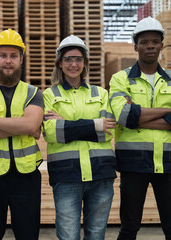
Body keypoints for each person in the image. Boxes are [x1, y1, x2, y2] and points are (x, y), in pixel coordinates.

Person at [109, 17, 171, 240]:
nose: (150, 45)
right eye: (144, 42)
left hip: (167, 164)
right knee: (129, 229)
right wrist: (167, 110)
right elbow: (124, 116)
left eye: (155, 41)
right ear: (136, 46)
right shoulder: (120, 79)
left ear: (162, 44)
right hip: (132, 164)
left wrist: (139, 117)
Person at [0, 28, 44, 240]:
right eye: (3, 55)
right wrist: (21, 125)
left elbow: (31, 126)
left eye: (13, 56)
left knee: (28, 235)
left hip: (27, 176)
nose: (8, 61)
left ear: (21, 59)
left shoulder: (33, 93)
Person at [43, 35, 117, 240]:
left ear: (85, 63)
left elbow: (107, 131)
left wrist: (66, 124)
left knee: (96, 234)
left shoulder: (101, 93)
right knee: (68, 235)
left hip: (101, 173)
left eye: (78, 59)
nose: (73, 64)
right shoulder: (49, 95)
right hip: (67, 175)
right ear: (59, 63)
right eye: (68, 59)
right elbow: (51, 132)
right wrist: (94, 124)